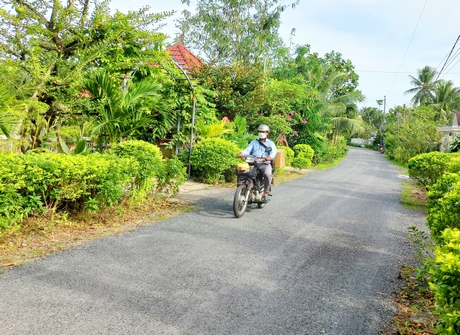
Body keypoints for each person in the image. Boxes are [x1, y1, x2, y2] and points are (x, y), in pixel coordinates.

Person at [237, 124, 277, 203]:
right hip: (253, 163)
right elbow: (247, 150)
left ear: (267, 133)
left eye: (263, 131)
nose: (261, 133)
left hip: (265, 164)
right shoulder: (254, 142)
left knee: (267, 174)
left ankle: (265, 193)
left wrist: (266, 158)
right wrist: (241, 153)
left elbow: (273, 154)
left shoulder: (270, 143)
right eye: (259, 131)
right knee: (242, 173)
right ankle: (243, 190)